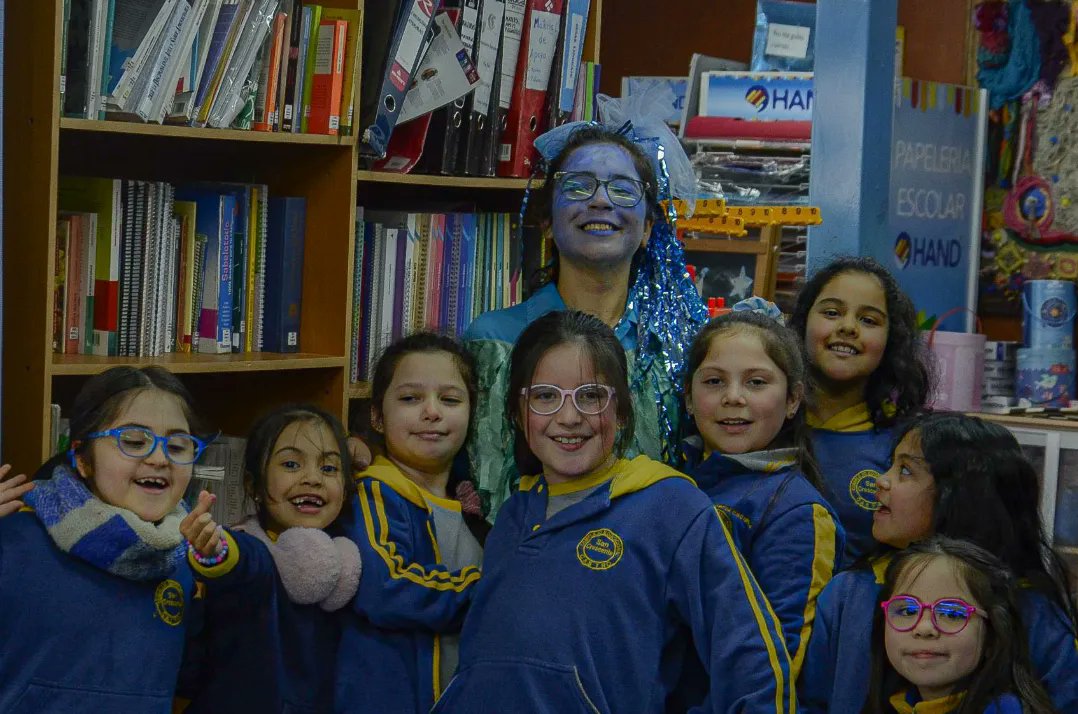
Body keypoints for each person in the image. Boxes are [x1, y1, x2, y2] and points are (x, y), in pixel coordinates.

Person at [433, 310, 793, 714]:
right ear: (519, 413)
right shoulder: (514, 514)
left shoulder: (671, 506)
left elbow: (749, 655)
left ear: (621, 411)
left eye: (591, 396)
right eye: (545, 396)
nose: (569, 418)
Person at [462, 89, 707, 518]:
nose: (601, 200)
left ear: (649, 227)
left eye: (623, 189)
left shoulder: (680, 346)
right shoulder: (494, 339)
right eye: (578, 186)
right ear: (547, 223)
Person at [798, 413, 1078, 713]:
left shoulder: (1031, 610)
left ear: (961, 493)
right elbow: (812, 701)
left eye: (905, 470)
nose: (881, 481)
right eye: (905, 611)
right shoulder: (848, 593)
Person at [0, 366, 206, 711]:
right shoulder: (15, 537)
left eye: (177, 445)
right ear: (82, 458)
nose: (159, 458)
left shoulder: (192, 555)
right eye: (134, 442)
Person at [681, 301, 843, 682]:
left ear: (792, 400)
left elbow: (777, 666)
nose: (733, 397)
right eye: (714, 381)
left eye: (756, 382)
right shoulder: (671, 483)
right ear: (688, 397)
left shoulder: (796, 511)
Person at [338, 333, 487, 714]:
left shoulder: (472, 504)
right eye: (410, 398)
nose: (432, 412)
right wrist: (492, 590)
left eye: (450, 399)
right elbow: (387, 586)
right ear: (376, 416)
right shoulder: (374, 491)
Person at [178, 404, 360, 713]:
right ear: (254, 486)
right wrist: (217, 550)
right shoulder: (246, 552)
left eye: (329, 468)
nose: (313, 478)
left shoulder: (345, 557)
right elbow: (240, 561)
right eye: (291, 464)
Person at [789, 256, 931, 563]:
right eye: (831, 312)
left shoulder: (905, 446)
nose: (848, 327)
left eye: (869, 320)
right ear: (802, 323)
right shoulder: (766, 427)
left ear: (890, 341)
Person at [865, 536, 1056, 714]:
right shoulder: (898, 704)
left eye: (952, 613)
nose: (924, 628)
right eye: (907, 611)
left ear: (992, 634)